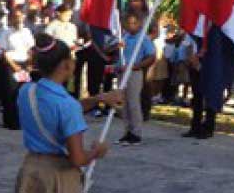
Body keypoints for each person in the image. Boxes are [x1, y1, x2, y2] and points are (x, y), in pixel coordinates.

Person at [14, 33, 123, 193]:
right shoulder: (67, 105)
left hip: (31, 169)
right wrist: (96, 152)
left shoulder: (26, 91)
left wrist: (97, 99)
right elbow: (78, 158)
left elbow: (59, 110)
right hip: (58, 175)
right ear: (66, 64)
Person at [116, 11, 155, 145]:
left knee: (133, 103)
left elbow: (151, 56)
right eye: (129, 23)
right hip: (122, 72)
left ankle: (136, 133)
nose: (131, 25)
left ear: (140, 24)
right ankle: (127, 131)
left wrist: (136, 66)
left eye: (134, 23)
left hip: (134, 73)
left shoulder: (143, 38)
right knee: (124, 103)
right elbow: (117, 53)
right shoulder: (125, 37)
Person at [2, 9, 37, 129]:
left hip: (24, 64)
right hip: (12, 64)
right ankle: (11, 121)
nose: (18, 20)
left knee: (23, 91)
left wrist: (30, 63)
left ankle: (23, 119)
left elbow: (31, 49)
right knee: (11, 93)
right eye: (15, 17)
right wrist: (14, 66)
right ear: (11, 19)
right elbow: (4, 51)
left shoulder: (26, 31)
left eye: (20, 17)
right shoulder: (6, 33)